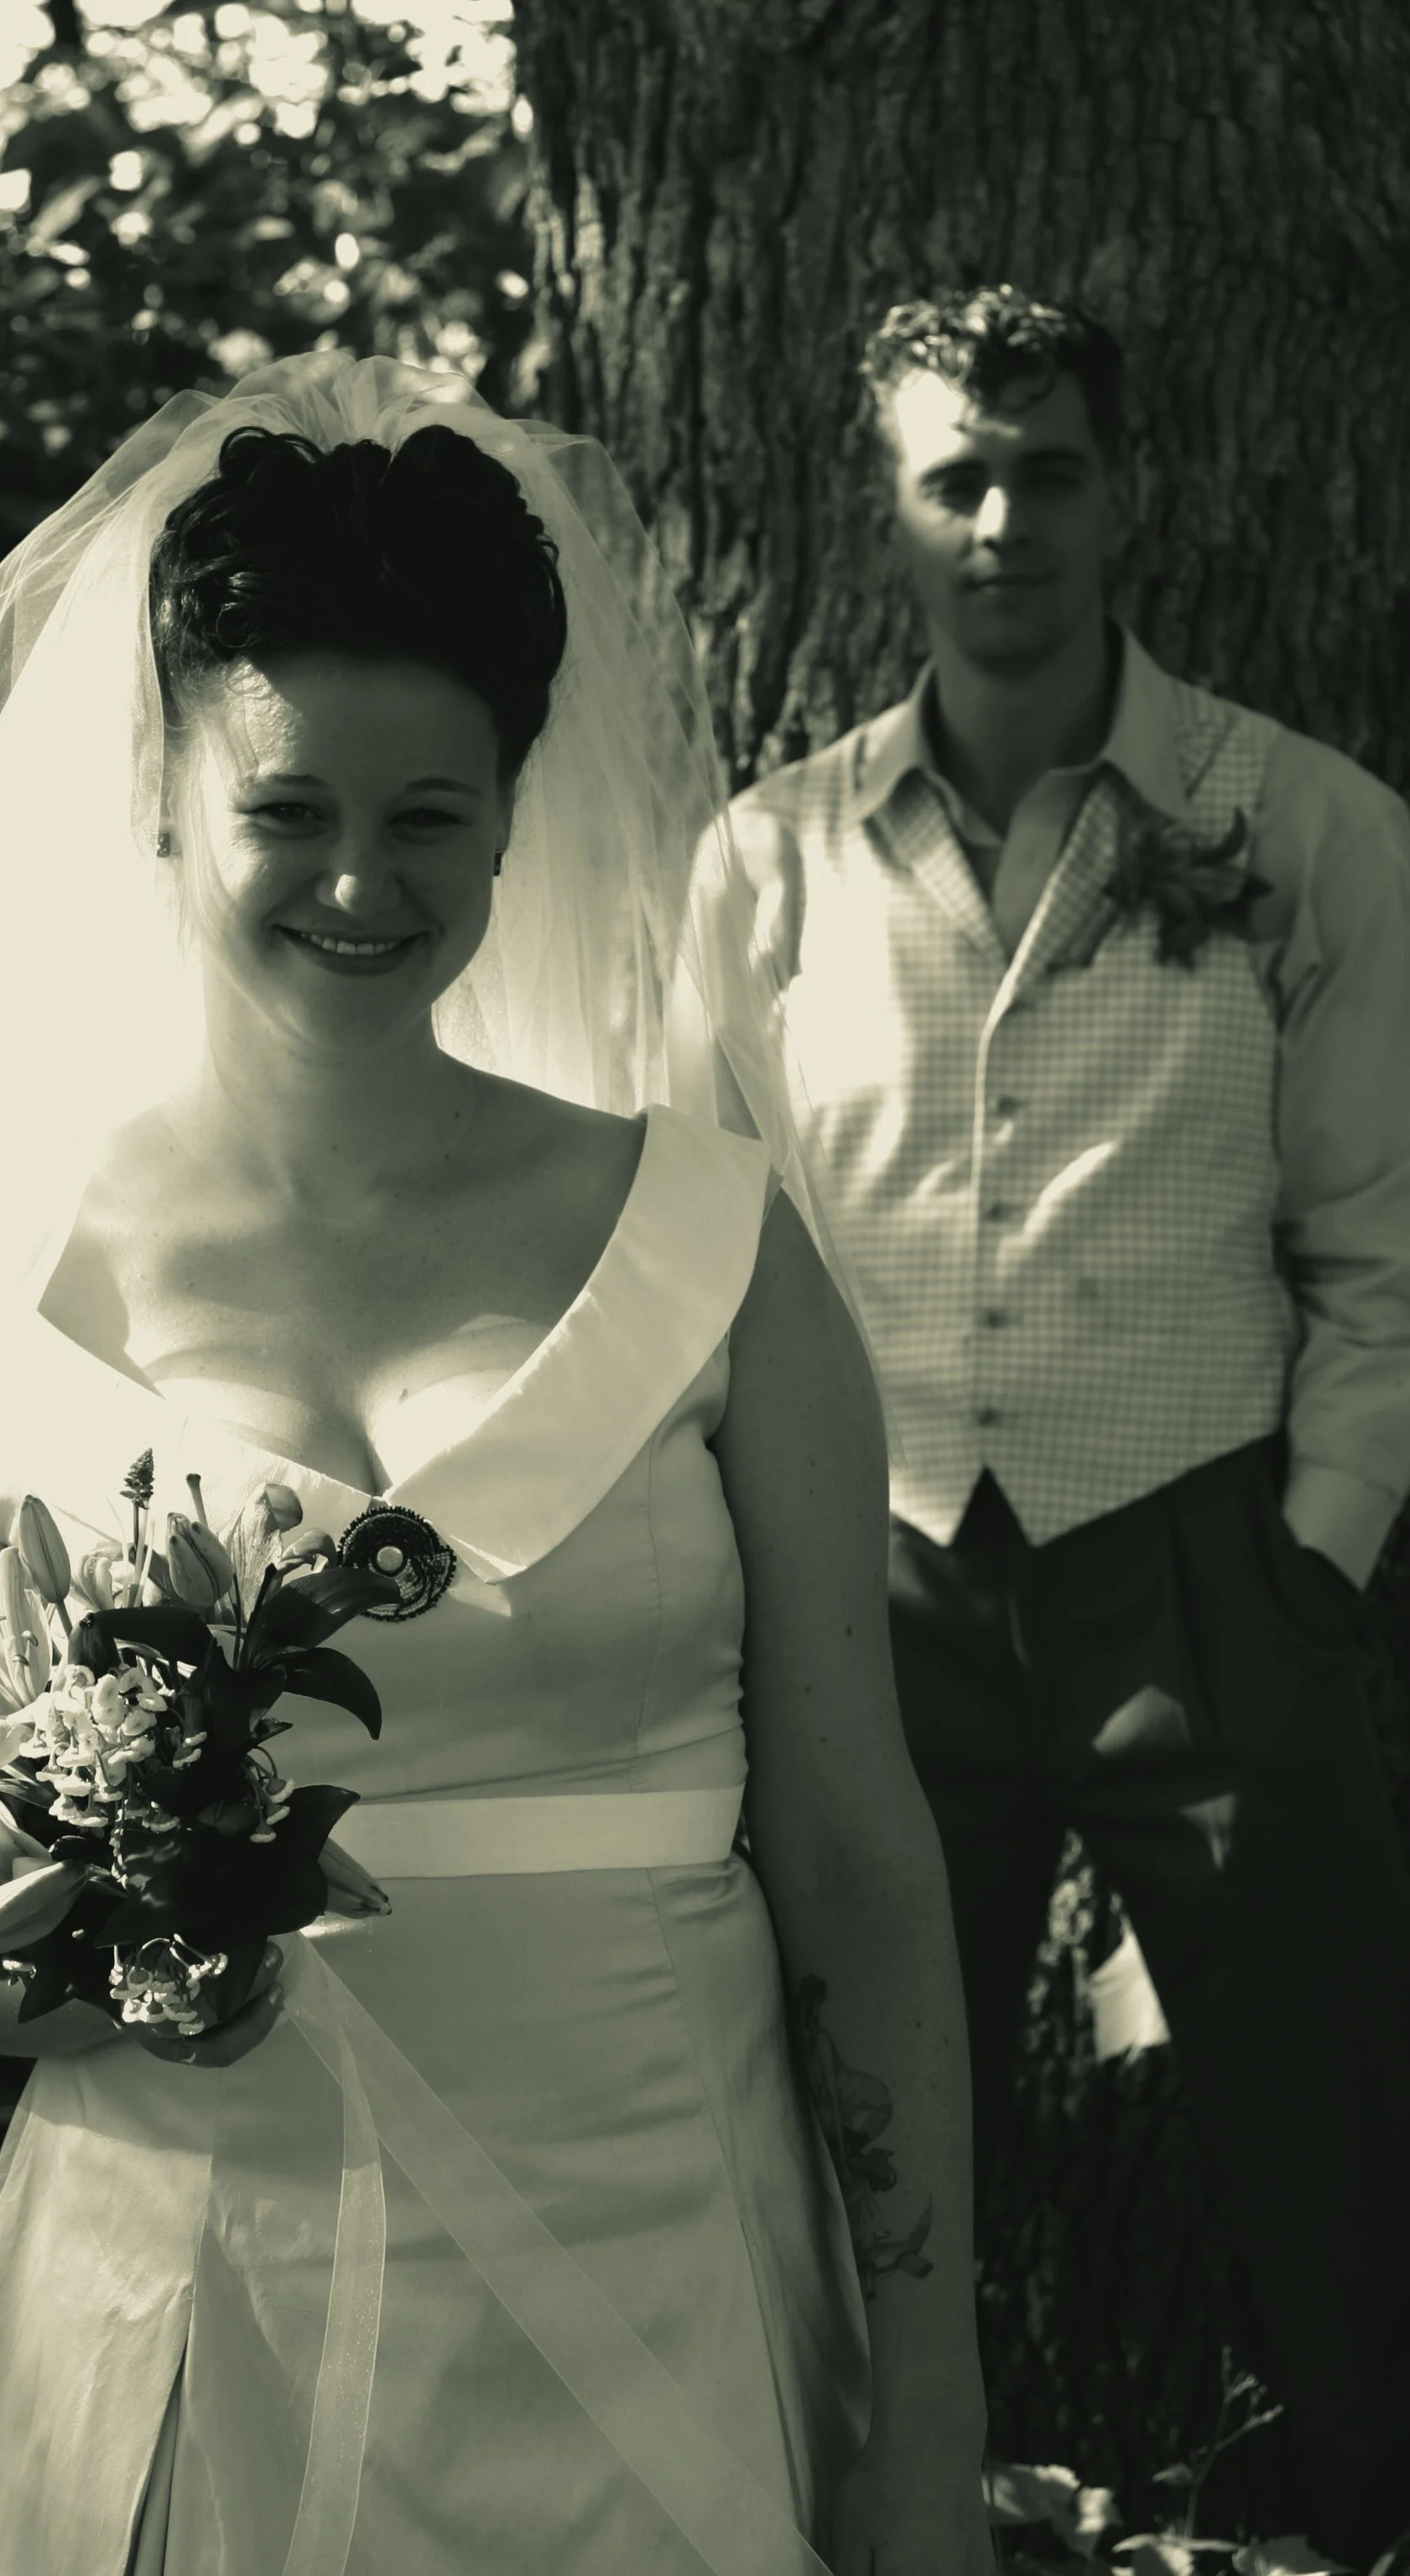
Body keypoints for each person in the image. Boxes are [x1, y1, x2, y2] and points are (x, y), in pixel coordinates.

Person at [0, 356, 991, 2576]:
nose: (357, 884)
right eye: (286, 811)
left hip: (661, 2260)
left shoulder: (715, 1246)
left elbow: (862, 1855)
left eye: (429, 817)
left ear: (520, 809)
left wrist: (930, 2403)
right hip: (186, 2289)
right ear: (167, 807)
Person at [707, 284, 1410, 2558]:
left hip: (1207, 1563)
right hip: (869, 1582)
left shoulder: (1303, 828)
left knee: (1337, 2127)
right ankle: (850, 2523)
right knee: (848, 2122)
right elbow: (709, 1251)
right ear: (886, 512)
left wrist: (1314, 1550)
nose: (1006, 520)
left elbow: (1382, 1243)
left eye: (1052, 473)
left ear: (1133, 494)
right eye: (956, 478)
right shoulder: (765, 866)